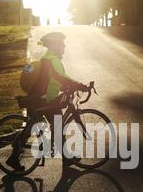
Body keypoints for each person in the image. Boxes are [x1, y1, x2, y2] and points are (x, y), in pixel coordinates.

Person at [6, 32, 88, 171]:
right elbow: (60, 77)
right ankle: (65, 157)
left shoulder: (48, 58)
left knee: (46, 126)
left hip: (40, 97)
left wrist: (68, 86)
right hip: (45, 99)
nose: (64, 47)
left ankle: (15, 158)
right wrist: (79, 85)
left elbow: (54, 80)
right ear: (55, 45)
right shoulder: (51, 59)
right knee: (56, 124)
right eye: (61, 44)